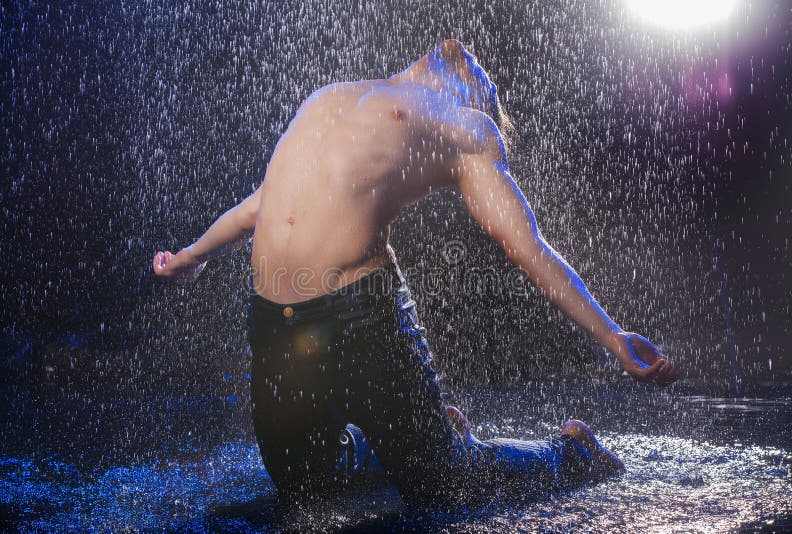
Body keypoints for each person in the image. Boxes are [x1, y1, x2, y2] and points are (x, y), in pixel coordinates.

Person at [152, 39, 679, 509]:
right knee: (304, 490)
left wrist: (611, 335)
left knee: (443, 486)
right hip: (275, 324)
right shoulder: (334, 95)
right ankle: (396, 442)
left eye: (484, 77)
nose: (470, 58)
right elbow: (260, 206)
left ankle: (572, 453)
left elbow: (525, 246)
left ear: (477, 98)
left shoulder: (465, 126)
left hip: (362, 314)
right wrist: (191, 256)